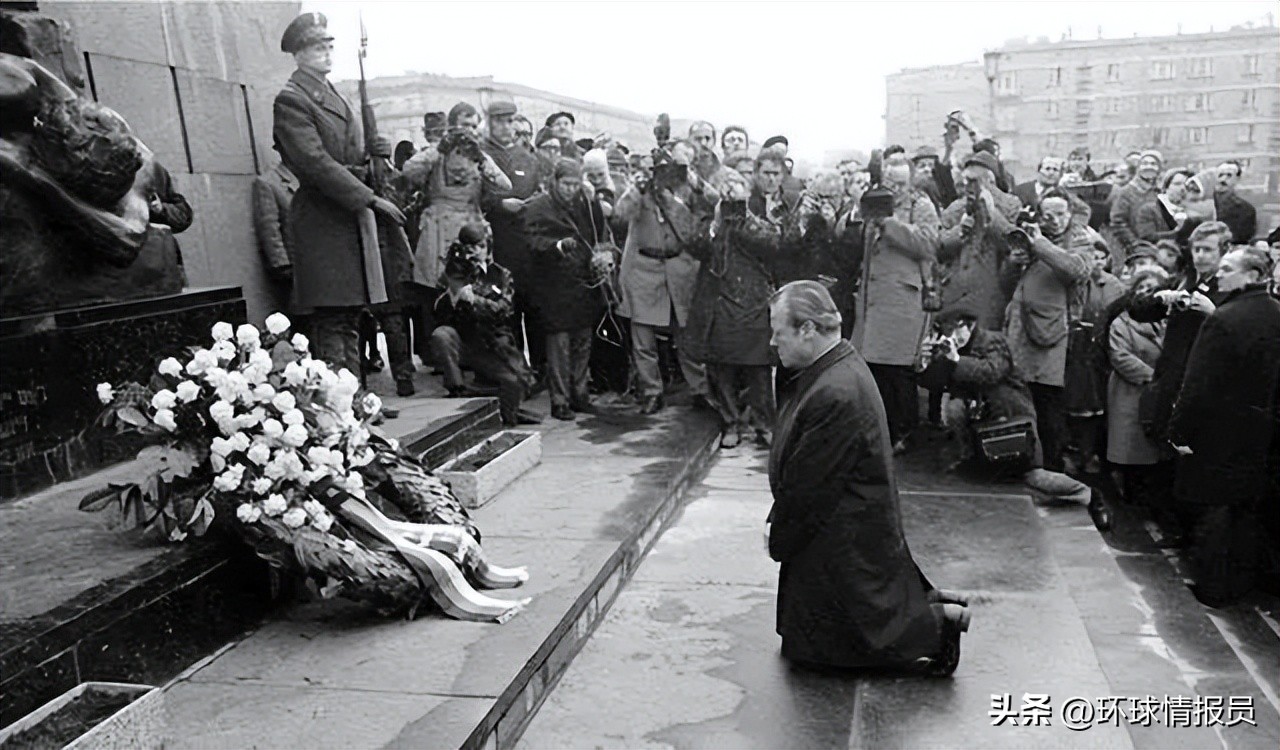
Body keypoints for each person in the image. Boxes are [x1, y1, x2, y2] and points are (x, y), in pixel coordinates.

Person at [765, 280, 969, 676]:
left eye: (779, 333)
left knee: (850, 640)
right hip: (843, 525)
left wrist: (780, 536)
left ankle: (939, 625)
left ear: (808, 329)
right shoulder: (836, 367)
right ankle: (935, 608)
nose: (774, 343)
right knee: (810, 644)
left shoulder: (834, 391)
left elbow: (810, 490)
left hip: (841, 534)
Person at [271, 12, 405, 377]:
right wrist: (369, 197)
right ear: (298, 54)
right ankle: (341, 408)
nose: (327, 52)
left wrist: (375, 152)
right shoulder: (293, 100)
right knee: (332, 319)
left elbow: (345, 153)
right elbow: (314, 163)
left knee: (350, 316)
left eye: (329, 45)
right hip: (323, 222)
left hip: (344, 219)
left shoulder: (332, 95)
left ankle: (355, 400)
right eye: (317, 47)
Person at [1169, 247, 1280, 606]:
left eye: (1229, 268)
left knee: (1215, 512)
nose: (1219, 273)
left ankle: (1214, 589)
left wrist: (1178, 430)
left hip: (1220, 428)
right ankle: (1245, 583)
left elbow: (1197, 382)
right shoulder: (1276, 314)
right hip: (1263, 429)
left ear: (1252, 276)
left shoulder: (1224, 319)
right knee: (1248, 511)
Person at [918, 303, 1101, 517]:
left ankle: (1088, 495)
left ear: (968, 325)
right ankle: (968, 457)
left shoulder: (993, 341)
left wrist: (955, 360)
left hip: (1013, 420)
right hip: (984, 425)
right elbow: (934, 384)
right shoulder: (953, 351)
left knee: (1034, 476)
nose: (955, 339)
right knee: (957, 412)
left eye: (957, 332)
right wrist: (925, 363)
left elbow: (991, 372)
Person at [616, 141, 718, 415]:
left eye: (669, 167)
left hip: (679, 268)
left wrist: (692, 180)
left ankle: (700, 389)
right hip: (645, 269)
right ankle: (651, 391)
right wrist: (638, 186)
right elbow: (620, 214)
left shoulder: (687, 189)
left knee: (686, 336)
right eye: (660, 168)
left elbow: (716, 202)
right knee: (643, 338)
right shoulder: (641, 192)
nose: (664, 173)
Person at [851, 150, 940, 455]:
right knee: (874, 368)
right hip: (873, 300)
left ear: (911, 181)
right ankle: (883, 430)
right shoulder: (873, 201)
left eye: (901, 182)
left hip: (902, 301)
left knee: (898, 371)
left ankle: (905, 432)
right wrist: (857, 214)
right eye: (890, 180)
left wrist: (889, 223)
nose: (895, 187)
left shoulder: (921, 205)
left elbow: (928, 244)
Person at [683, 170, 780, 448]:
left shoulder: (758, 218)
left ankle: (764, 424)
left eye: (737, 190)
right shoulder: (710, 221)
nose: (731, 198)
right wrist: (716, 223)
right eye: (726, 192)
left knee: (758, 371)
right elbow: (693, 245)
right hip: (719, 303)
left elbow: (773, 243)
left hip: (753, 303)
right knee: (721, 369)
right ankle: (731, 422)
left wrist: (744, 218)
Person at [1002, 191, 1092, 473]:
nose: (1053, 220)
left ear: (1070, 214)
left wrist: (1038, 243)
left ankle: (1052, 466)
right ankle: (1025, 460)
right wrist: (1014, 261)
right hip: (1020, 331)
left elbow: (1076, 270)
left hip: (1051, 335)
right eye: (1047, 214)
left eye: (1060, 213)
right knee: (1020, 400)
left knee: (1048, 404)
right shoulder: (1030, 240)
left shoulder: (1079, 239)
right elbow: (1005, 283)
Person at [521, 159, 612, 420]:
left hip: (582, 283)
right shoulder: (539, 206)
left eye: (575, 184)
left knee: (583, 341)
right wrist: (557, 246)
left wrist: (594, 202)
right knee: (559, 346)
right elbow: (530, 241)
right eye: (566, 184)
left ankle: (580, 394)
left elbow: (598, 232)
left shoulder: (584, 204)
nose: (571, 189)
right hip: (554, 286)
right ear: (555, 181)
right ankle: (559, 400)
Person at [428, 225, 540, 426]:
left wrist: (476, 299)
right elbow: (437, 310)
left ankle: (507, 413)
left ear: (488, 246)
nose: (475, 251)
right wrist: (452, 292)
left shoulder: (501, 274)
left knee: (515, 383)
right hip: (464, 338)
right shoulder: (455, 271)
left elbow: (504, 309)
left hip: (492, 342)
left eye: (479, 246)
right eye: (469, 247)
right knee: (441, 335)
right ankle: (457, 390)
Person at [481, 100, 544, 374]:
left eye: (509, 121)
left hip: (527, 244)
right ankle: (516, 371)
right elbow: (473, 194)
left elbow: (542, 191)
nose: (505, 127)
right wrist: (498, 205)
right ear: (490, 123)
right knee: (506, 310)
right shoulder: (481, 155)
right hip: (496, 242)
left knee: (534, 307)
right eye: (499, 121)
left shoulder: (528, 158)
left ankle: (541, 367)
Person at [1106, 267, 1172, 521]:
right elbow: (1120, 356)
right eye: (1142, 288)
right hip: (1130, 391)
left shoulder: (1168, 321)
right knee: (1130, 446)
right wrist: (1155, 377)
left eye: (1152, 289)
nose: (1146, 294)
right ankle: (1129, 496)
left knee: (1153, 450)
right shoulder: (1121, 322)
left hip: (1158, 393)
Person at [937, 151, 1021, 331]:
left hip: (989, 295)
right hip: (954, 294)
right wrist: (959, 232)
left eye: (973, 181)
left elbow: (1010, 242)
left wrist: (990, 212)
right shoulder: (956, 208)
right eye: (964, 180)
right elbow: (937, 246)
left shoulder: (1010, 205)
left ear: (989, 181)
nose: (966, 186)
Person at [1062, 239, 1124, 475]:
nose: (1094, 262)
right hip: (1070, 351)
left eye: (1099, 257)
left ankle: (1089, 454)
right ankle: (1071, 452)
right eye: (1089, 257)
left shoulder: (1112, 285)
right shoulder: (1070, 283)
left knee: (1094, 409)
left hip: (1097, 353)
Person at [252, 150, 299, 293]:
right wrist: (282, 264)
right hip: (296, 268)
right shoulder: (268, 183)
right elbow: (269, 228)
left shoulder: (315, 177)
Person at [1109, 150, 1162, 255]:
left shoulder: (1161, 192)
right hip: (1134, 250)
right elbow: (1118, 222)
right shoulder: (1126, 192)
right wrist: (1135, 244)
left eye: (1153, 164)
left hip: (1161, 248)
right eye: (1144, 163)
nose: (1149, 167)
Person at [1135, 168, 1192, 244]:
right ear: (1166, 188)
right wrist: (1178, 233)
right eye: (1177, 184)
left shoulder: (1193, 209)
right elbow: (1147, 238)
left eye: (1186, 185)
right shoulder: (1149, 210)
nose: (1183, 188)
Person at [1212, 160, 1257, 244]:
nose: (1223, 179)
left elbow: (1243, 238)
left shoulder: (1246, 210)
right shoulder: (1203, 203)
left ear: (1237, 179)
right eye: (1220, 175)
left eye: (1229, 175)